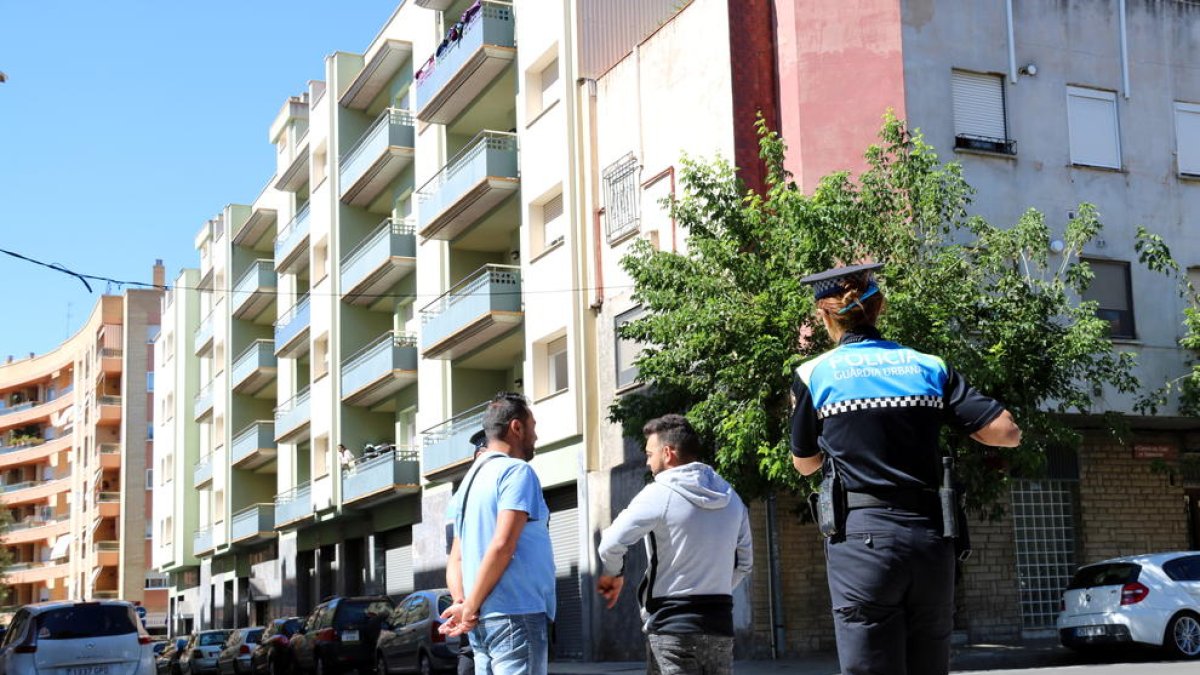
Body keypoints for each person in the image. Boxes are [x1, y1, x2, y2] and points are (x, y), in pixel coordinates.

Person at [791, 262, 1022, 675]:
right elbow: (1006, 432)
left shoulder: (814, 374)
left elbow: (805, 464)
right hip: (930, 536)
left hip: (862, 539)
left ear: (824, 316)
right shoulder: (929, 367)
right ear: (878, 306)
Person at [596, 414, 752, 675]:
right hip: (720, 626)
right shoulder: (732, 497)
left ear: (667, 453)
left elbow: (609, 544)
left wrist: (615, 574)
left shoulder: (659, 493)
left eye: (649, 453)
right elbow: (744, 564)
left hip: (672, 628)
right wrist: (711, 589)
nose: (647, 462)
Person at [441, 393, 556, 675]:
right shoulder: (517, 471)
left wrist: (463, 603)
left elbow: (456, 559)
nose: (536, 436)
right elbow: (503, 544)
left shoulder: (468, 482)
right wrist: (469, 608)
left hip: (482, 622)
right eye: (533, 426)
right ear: (516, 427)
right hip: (516, 613)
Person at [456, 428, 490, 675]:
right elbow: (455, 559)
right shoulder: (461, 500)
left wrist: (464, 604)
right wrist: (465, 604)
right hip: (488, 607)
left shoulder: (462, 497)